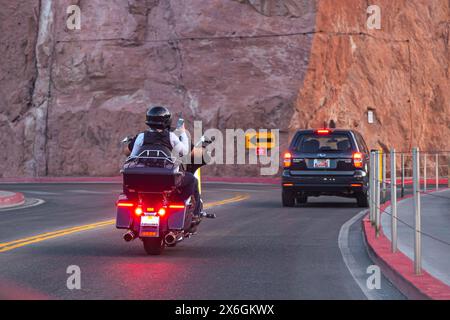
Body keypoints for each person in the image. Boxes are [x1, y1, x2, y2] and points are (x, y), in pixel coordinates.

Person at [126, 106, 202, 217]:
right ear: (167, 121)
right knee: (192, 180)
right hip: (166, 180)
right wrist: (183, 133)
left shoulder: (141, 137)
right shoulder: (171, 137)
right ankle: (189, 211)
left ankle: (134, 202)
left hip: (144, 179)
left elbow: (132, 157)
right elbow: (185, 152)